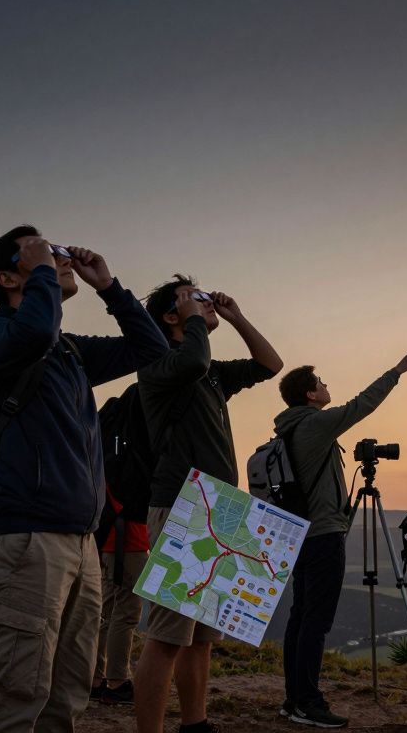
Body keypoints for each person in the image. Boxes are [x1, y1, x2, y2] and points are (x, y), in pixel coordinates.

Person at [0, 225, 168, 733]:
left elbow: (154, 352)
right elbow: (33, 332)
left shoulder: (69, 351)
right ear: (11, 277)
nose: (59, 257)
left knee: (66, 696)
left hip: (81, 542)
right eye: (42, 252)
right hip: (24, 538)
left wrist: (110, 288)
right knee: (12, 696)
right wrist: (45, 273)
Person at [133, 275, 282, 733]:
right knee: (165, 638)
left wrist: (235, 316)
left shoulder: (213, 373)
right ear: (170, 316)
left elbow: (270, 363)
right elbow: (194, 358)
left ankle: (195, 723)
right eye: (192, 298)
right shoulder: (161, 363)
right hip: (183, 505)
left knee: (200, 638)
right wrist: (198, 318)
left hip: (220, 508)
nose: (205, 302)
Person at [273, 351, 407, 728]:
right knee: (316, 623)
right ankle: (307, 702)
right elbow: (362, 405)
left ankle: (294, 699)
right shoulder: (314, 425)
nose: (326, 388)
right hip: (322, 536)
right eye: (320, 384)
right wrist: (397, 370)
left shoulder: (288, 430)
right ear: (309, 395)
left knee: (300, 617)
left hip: (299, 534)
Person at [90, 484, 149, 706]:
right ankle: (117, 683)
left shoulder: (108, 457)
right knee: (126, 613)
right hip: (129, 541)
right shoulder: (129, 465)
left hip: (108, 540)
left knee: (107, 612)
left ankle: (95, 681)